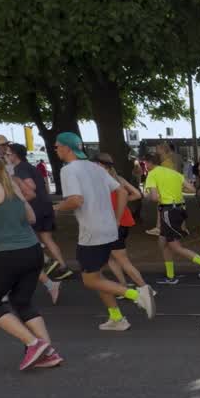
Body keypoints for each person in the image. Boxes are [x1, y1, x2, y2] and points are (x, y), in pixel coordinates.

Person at [0, 142, 61, 370]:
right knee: (22, 301)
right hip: (33, 250)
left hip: (8, 253)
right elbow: (31, 218)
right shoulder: (8, 183)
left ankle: (33, 344)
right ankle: (49, 352)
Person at [54, 132, 154, 330]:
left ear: (66, 148)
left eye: (56, 146)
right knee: (98, 277)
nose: (55, 149)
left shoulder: (68, 170)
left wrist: (56, 208)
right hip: (108, 230)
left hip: (92, 233)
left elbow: (76, 200)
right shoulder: (95, 168)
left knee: (90, 280)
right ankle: (117, 318)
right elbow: (123, 192)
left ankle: (137, 294)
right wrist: (116, 219)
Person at [144, 151, 200, 285]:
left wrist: (150, 196)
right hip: (178, 210)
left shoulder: (152, 174)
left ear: (150, 163)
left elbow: (154, 197)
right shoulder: (174, 173)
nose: (145, 165)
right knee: (163, 244)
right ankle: (170, 276)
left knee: (175, 246)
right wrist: (175, 191)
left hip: (168, 211)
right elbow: (191, 189)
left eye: (145, 163)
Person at [7, 143, 69, 280]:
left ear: (15, 155)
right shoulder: (31, 167)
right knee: (47, 238)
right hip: (45, 205)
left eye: (8, 154)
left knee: (27, 236)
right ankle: (63, 267)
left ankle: (47, 261)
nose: (7, 156)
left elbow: (31, 186)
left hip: (35, 208)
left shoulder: (19, 169)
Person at [93, 153, 149, 297]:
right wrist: (121, 203)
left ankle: (145, 289)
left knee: (122, 260)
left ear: (100, 165)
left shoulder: (101, 181)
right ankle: (123, 286)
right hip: (123, 222)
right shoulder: (119, 179)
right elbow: (137, 194)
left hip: (114, 224)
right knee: (110, 257)